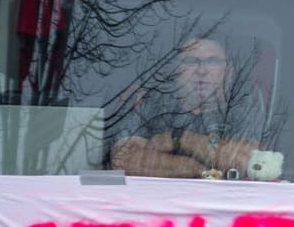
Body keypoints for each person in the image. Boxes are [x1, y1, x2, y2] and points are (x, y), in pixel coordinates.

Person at [110, 36, 265, 179]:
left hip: (225, 204)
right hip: (154, 202)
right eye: (191, 61)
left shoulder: (242, 107)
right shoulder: (152, 105)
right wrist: (196, 168)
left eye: (212, 61)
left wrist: (181, 139)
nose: (201, 71)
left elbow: (250, 164)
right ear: (177, 70)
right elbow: (122, 160)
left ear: (229, 71)